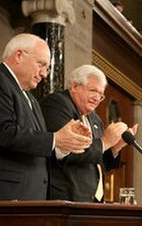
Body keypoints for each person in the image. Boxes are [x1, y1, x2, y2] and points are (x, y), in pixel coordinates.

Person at [0, 33, 92, 201]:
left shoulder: (31, 99)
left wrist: (64, 144)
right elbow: (2, 133)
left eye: (47, 69)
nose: (44, 74)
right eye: (41, 65)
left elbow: (36, 148)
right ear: (19, 56)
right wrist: (55, 138)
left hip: (29, 198)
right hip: (1, 196)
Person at [41, 65, 137, 202]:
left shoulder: (94, 118)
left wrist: (115, 147)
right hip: (66, 198)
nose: (97, 98)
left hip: (91, 201)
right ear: (74, 87)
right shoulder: (58, 104)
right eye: (93, 91)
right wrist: (105, 142)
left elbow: (98, 160)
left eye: (101, 95)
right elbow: (67, 152)